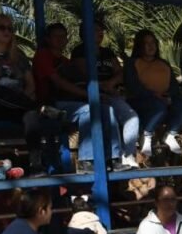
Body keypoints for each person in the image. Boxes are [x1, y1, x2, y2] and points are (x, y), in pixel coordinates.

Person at [35, 22, 122, 171]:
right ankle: (86, 160)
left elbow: (78, 82)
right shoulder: (43, 56)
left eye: (63, 36)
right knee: (88, 110)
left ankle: (113, 158)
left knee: (107, 109)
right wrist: (90, 95)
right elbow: (60, 82)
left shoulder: (65, 61)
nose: (60, 39)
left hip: (68, 104)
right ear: (48, 39)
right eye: (56, 36)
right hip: (48, 107)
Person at [0, 13, 45, 174]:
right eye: (2, 27)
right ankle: (40, 108)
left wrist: (19, 98)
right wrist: (13, 95)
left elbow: (30, 84)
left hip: (17, 106)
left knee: (31, 116)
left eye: (10, 29)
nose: (7, 31)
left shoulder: (18, 55)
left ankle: (36, 164)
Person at [69, 18, 141, 169]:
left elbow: (119, 72)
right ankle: (112, 157)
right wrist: (103, 86)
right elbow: (85, 74)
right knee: (109, 112)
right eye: (95, 30)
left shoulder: (107, 52)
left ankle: (127, 155)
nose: (100, 33)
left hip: (111, 92)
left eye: (101, 30)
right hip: (91, 95)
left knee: (132, 117)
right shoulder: (79, 51)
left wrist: (110, 84)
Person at [124, 29, 182, 158]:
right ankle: (147, 135)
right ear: (140, 45)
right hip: (141, 100)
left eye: (153, 42)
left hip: (164, 98)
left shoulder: (164, 63)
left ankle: (170, 134)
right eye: (146, 43)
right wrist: (154, 95)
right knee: (159, 108)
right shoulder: (132, 63)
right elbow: (133, 86)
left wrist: (169, 95)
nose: (150, 46)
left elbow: (174, 85)